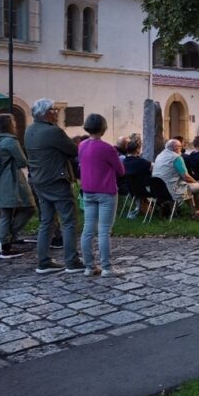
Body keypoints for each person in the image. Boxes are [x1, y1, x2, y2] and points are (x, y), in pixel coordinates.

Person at [24, 99, 84, 275]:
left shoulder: (29, 130)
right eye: (54, 110)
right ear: (46, 113)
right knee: (68, 221)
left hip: (39, 180)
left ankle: (43, 261)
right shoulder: (53, 132)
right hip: (56, 180)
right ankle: (71, 261)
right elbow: (73, 151)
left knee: (47, 221)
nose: (57, 112)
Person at [0, 113, 36, 259]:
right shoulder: (10, 141)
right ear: (9, 125)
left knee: (5, 213)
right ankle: (5, 241)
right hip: (10, 181)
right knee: (29, 208)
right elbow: (22, 162)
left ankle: (5, 241)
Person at [77, 114, 126, 277]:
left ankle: (89, 267)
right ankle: (106, 268)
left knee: (88, 230)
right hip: (105, 191)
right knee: (104, 230)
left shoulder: (81, 145)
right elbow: (121, 170)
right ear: (103, 128)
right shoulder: (107, 148)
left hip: (88, 191)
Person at [152, 139, 199, 219]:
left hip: (158, 190)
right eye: (181, 147)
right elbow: (186, 177)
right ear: (176, 148)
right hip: (171, 190)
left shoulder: (160, 156)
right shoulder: (176, 158)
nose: (182, 148)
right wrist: (196, 183)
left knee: (185, 186)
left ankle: (194, 211)